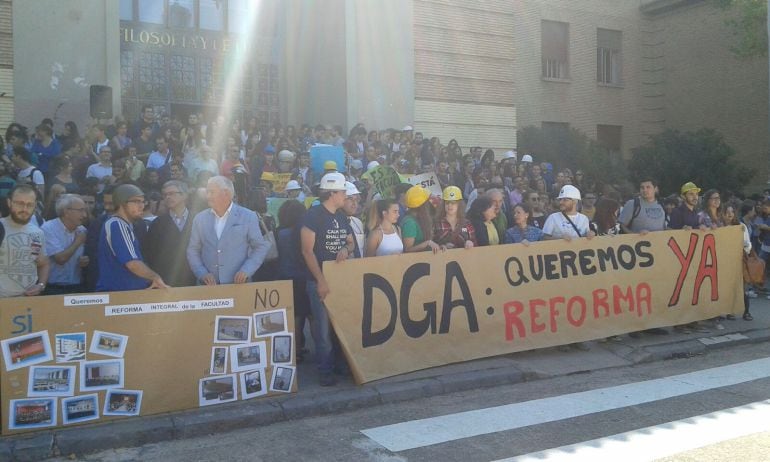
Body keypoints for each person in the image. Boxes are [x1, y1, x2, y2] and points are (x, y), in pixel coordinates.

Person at [300, 172, 356, 386]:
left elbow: (350, 242)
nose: (345, 196)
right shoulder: (313, 216)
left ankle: (340, 364)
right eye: (343, 192)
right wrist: (320, 280)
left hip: (339, 280)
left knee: (339, 325)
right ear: (332, 193)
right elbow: (307, 251)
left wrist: (345, 248)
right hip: (319, 281)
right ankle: (325, 369)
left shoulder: (341, 216)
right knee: (323, 330)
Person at [186, 176, 270, 285]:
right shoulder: (200, 218)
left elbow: (260, 247)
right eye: (207, 192)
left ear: (226, 193)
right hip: (207, 287)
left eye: (211, 192)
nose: (208, 196)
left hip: (239, 285)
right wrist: (201, 273)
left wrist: (246, 270)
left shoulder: (248, 216)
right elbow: (193, 250)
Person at [96, 184, 168, 291]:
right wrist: (155, 277)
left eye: (142, 202)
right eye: (136, 201)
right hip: (119, 295)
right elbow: (133, 264)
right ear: (122, 203)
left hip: (124, 295)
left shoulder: (123, 225)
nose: (141, 206)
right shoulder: (118, 225)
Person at [276, 200, 311, 362]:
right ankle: (302, 348)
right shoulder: (303, 232)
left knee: (294, 316)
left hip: (284, 276)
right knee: (307, 315)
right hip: (303, 276)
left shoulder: (279, 233)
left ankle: (295, 350)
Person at [144, 180, 196, 287]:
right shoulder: (157, 224)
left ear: (184, 195)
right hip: (167, 283)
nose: (167, 197)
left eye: (172, 193)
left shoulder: (198, 219)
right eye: (165, 195)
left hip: (195, 279)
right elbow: (151, 255)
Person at [0, 184, 49, 298]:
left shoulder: (38, 232)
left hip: (28, 303)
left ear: (35, 206)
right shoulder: (1, 226)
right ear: (9, 202)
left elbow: (44, 263)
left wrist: (41, 285)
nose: (24, 209)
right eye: (19, 203)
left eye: (29, 205)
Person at [41, 194, 88, 294]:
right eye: (81, 210)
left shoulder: (82, 230)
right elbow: (60, 259)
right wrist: (77, 242)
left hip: (77, 287)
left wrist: (86, 260)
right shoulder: (48, 228)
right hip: (53, 288)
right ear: (66, 212)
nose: (85, 215)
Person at [402, 185, 442, 253]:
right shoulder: (410, 223)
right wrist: (427, 243)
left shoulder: (420, 218)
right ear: (423, 205)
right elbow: (408, 249)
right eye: (427, 201)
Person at [343, 181, 365, 257]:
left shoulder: (358, 222)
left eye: (356, 200)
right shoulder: (334, 223)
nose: (354, 203)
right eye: (350, 199)